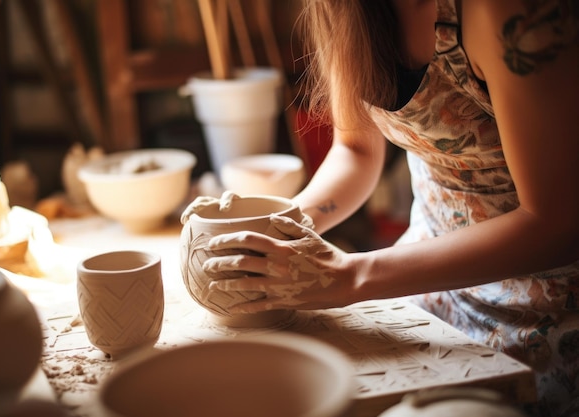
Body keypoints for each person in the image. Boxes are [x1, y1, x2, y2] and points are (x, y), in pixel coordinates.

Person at [191, 1, 579, 415]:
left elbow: (557, 222)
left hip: (548, 305)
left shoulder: (503, 12)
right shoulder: (341, 7)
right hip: (429, 270)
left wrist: (351, 276)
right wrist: (279, 223)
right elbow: (355, 149)